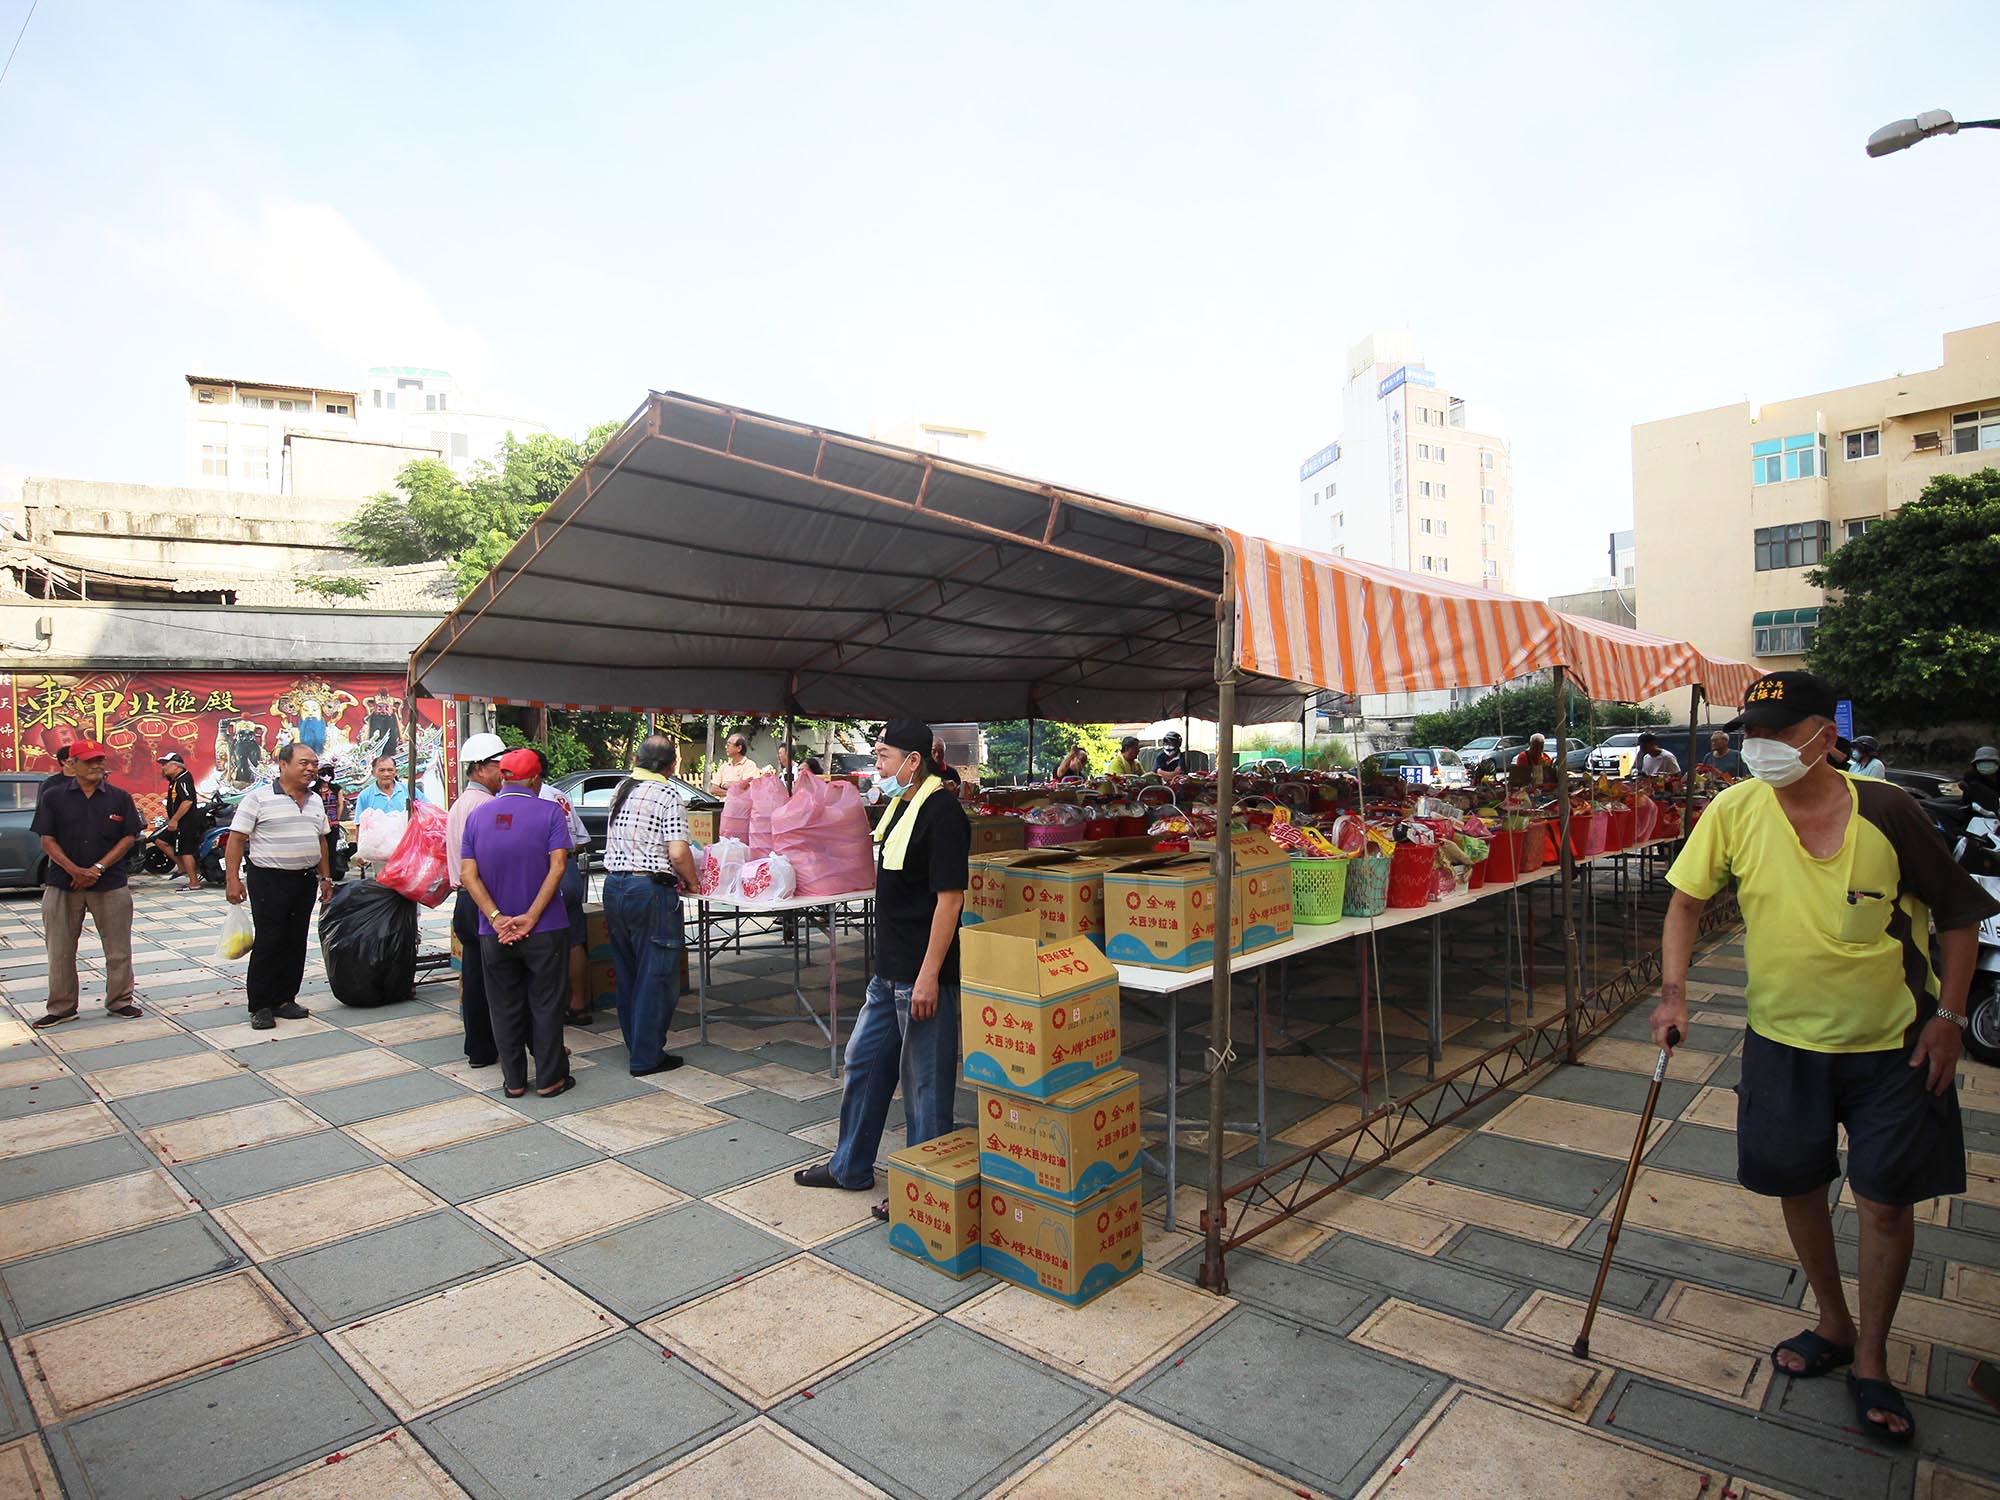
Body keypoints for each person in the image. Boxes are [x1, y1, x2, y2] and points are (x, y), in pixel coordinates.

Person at [1650, 671, 1998, 1447]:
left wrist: (1949, 1019)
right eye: (1751, 732)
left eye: (1777, 732)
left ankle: (1872, 1356)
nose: (1759, 747)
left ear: (1824, 737)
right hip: (1781, 1042)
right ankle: (1834, 1323)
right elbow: (1685, 902)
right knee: (1798, 1185)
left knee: (1885, 1202)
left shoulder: (1889, 810)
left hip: (1894, 1046)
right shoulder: (1735, 810)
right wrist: (1673, 996)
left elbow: (1959, 914)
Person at [795, 719, 970, 1215]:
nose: (877, 764)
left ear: (913, 760)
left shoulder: (943, 814)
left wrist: (929, 976)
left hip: (921, 975)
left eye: (883, 755)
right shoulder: (900, 806)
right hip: (888, 971)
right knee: (863, 1063)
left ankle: (923, 1191)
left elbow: (950, 901)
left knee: (925, 1086)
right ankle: (849, 1166)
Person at [459, 748, 576, 1099]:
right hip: (545, 927)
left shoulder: (477, 817)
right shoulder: (550, 812)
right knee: (547, 1003)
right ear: (536, 779)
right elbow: (558, 866)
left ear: (503, 776)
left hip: (493, 931)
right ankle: (550, 1078)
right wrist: (532, 916)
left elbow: (468, 875)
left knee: (503, 1005)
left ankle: (513, 1081)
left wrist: (496, 918)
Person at [601, 734, 701, 1074]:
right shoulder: (667, 794)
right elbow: (678, 852)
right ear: (672, 765)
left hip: (614, 887)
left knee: (628, 971)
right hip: (649, 891)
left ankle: (636, 1045)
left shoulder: (621, 788)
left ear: (636, 760)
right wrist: (693, 881)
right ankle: (646, 1057)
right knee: (656, 974)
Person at [31, 742, 142, 1028]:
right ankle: (62, 1007)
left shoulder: (119, 797)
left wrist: (97, 868)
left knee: (118, 948)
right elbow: (46, 839)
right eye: (89, 761)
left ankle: (120, 1001)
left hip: (110, 882)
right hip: (63, 883)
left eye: (100, 760)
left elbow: (128, 837)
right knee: (60, 949)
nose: (96, 766)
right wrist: (74, 870)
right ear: (72, 764)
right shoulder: (54, 796)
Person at [225, 742, 333, 1030]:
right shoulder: (258, 798)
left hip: (304, 880)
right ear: (283, 765)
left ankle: (285, 999)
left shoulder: (315, 800)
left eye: (314, 764)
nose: (311, 769)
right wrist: (232, 879)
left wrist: (325, 878)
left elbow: (321, 840)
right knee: (270, 940)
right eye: (304, 763)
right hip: (269, 879)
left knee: (295, 941)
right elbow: (236, 839)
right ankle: (261, 1004)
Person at [513, 748, 594, 1025]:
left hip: (546, 873)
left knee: (543, 942)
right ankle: (579, 1004)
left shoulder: (529, 799)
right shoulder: (559, 795)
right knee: (575, 941)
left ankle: (548, 1010)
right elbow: (581, 839)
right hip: (569, 870)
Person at [447, 732, 509, 1067]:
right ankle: (507, 1044)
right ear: (481, 767)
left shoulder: (461, 804)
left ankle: (479, 1048)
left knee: (474, 978)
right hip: (484, 901)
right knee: (500, 977)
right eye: (500, 766)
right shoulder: (487, 807)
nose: (505, 773)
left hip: (465, 903)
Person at [153, 751, 205, 891]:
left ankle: (194, 882)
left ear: (176, 766)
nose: (163, 767)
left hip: (186, 822)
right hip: (177, 821)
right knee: (160, 840)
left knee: (186, 850)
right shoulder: (175, 780)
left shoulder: (183, 779)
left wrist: (175, 820)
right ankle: (182, 867)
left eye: (166, 764)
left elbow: (187, 801)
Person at [355, 755, 412, 820]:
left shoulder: (409, 790)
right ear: (373, 773)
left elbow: (422, 812)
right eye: (381, 770)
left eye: (390, 770)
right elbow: (359, 823)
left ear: (396, 772)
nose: (386, 774)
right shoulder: (364, 796)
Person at [706, 732, 763, 797]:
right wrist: (731, 792)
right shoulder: (723, 767)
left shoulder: (750, 765)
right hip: (724, 803)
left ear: (739, 748)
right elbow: (713, 789)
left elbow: (746, 787)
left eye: (728, 745)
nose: (725, 747)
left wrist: (724, 784)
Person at [1961, 746, 2000, 816]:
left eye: (1990, 762)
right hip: (1978, 813)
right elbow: (1966, 801)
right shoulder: (1970, 777)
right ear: (1975, 764)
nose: (1986, 766)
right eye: (1982, 762)